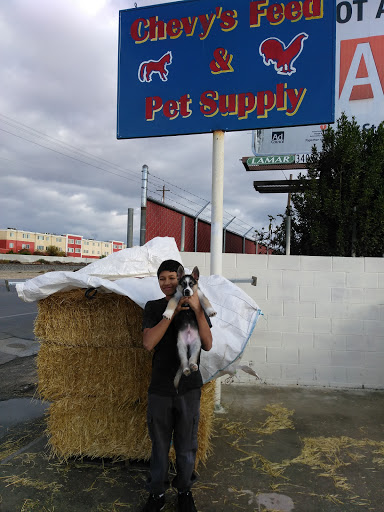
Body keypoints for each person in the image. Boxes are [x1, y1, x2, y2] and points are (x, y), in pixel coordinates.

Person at [140, 259, 213, 512]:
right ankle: (157, 494)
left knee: (186, 445)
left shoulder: (197, 304)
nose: (168, 283)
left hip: (189, 388)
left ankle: (184, 491)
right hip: (160, 388)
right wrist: (171, 312)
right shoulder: (153, 307)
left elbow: (207, 343)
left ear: (182, 279)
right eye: (163, 279)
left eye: (172, 278)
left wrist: (197, 309)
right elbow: (149, 343)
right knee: (159, 445)